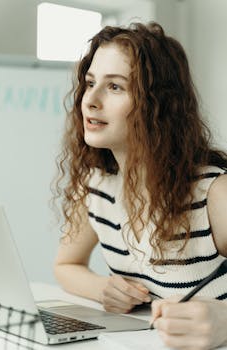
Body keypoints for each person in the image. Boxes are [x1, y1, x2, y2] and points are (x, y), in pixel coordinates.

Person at [53, 22, 227, 349]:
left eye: (115, 87)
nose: (90, 100)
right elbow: (65, 266)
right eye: (90, 83)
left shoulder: (214, 193)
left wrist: (225, 320)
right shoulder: (96, 186)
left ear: (158, 104)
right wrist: (102, 289)